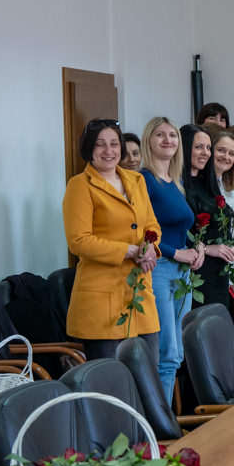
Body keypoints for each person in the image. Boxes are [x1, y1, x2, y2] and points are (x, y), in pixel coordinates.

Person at [62, 119, 160, 360]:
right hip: (102, 302)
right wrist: (128, 250)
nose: (109, 151)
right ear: (89, 149)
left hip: (139, 292)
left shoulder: (136, 181)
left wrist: (150, 248)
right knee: (111, 384)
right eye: (100, 145)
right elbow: (78, 241)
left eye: (114, 144)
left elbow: (151, 225)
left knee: (148, 376)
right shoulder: (80, 186)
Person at [137, 117, 202, 399]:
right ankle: (159, 430)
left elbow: (179, 228)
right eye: (160, 135)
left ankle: (164, 421)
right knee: (167, 351)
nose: (168, 140)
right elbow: (142, 232)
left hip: (182, 272)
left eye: (173, 135)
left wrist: (196, 247)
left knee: (176, 354)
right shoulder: (145, 180)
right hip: (160, 270)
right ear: (148, 141)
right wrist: (177, 252)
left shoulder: (174, 182)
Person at [181, 124, 234, 318]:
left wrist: (229, 247)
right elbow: (178, 231)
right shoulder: (178, 185)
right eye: (199, 147)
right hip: (196, 270)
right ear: (185, 147)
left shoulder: (208, 183)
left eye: (207, 148)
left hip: (218, 272)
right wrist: (206, 248)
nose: (205, 153)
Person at [208, 127, 234, 208]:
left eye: (231, 154)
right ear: (210, 150)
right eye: (221, 150)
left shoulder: (229, 185)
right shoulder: (199, 183)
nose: (226, 157)